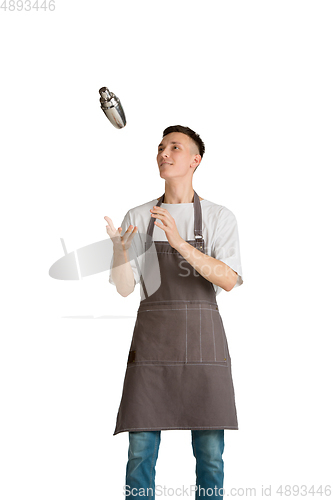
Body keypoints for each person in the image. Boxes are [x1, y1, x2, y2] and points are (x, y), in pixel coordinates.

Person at [104, 125, 243, 500]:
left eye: (175, 148)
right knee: (140, 453)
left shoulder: (218, 217)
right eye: (161, 147)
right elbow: (125, 288)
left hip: (203, 348)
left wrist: (179, 242)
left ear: (195, 160)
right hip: (152, 348)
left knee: (210, 457)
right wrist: (119, 251)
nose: (164, 153)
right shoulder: (138, 214)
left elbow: (228, 279)